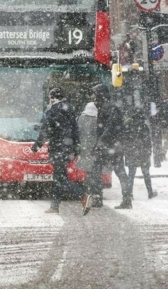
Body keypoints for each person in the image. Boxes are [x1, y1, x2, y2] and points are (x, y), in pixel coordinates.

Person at [31, 87, 90, 215]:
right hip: (68, 149)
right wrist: (76, 148)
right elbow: (76, 130)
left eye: (50, 97)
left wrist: (36, 146)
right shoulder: (70, 109)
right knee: (58, 177)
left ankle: (83, 196)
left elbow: (45, 131)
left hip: (58, 148)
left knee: (60, 179)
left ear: (52, 98)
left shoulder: (52, 111)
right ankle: (54, 206)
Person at [85, 83, 132, 210]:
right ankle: (123, 199)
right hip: (110, 145)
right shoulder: (104, 107)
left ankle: (102, 198)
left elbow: (111, 128)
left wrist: (100, 142)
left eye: (94, 93)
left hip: (110, 146)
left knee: (103, 171)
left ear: (100, 94)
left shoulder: (109, 107)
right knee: (111, 171)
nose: (93, 96)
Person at [123, 107, 158, 199]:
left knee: (131, 174)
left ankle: (129, 194)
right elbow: (148, 141)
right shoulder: (144, 126)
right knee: (146, 173)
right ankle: (150, 192)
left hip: (131, 152)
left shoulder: (128, 126)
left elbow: (124, 140)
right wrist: (149, 151)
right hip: (143, 153)